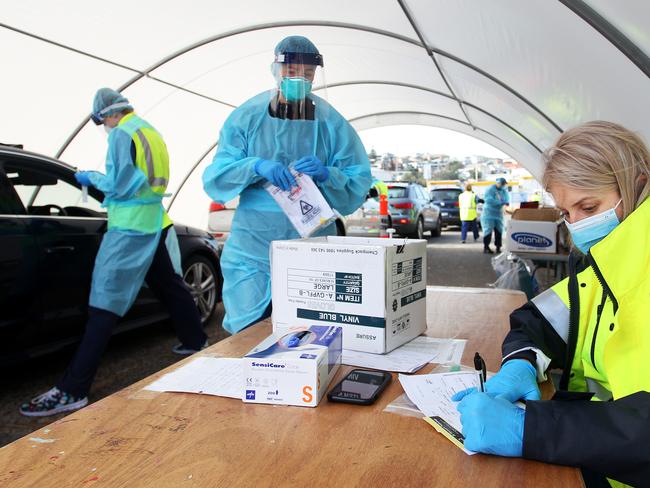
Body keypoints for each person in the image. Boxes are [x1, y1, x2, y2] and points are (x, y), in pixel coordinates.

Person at [452, 121, 650, 487]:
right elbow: (538, 318)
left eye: (588, 206)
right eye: (566, 213)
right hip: (597, 466)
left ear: (638, 185)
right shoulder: (606, 269)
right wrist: (522, 361)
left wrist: (529, 429)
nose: (577, 226)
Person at [20, 88, 207, 417]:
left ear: (108, 113)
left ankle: (73, 389)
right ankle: (195, 340)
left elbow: (120, 185)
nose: (103, 125)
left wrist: (91, 178)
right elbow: (148, 182)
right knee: (169, 284)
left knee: (104, 303)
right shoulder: (151, 132)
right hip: (152, 224)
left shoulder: (122, 134)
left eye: (101, 120)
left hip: (127, 227)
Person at [202, 36, 372, 334]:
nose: (299, 79)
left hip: (312, 244)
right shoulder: (247, 118)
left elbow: (358, 179)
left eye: (307, 75)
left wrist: (327, 175)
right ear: (275, 70)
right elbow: (216, 177)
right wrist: (254, 165)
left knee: (312, 332)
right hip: (253, 245)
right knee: (248, 331)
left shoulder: (331, 122)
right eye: (292, 72)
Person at [480, 177, 509, 253]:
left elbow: (506, 199)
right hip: (489, 214)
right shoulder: (490, 190)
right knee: (488, 231)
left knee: (499, 230)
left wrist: (506, 202)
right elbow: (489, 200)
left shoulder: (503, 191)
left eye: (504, 184)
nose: (503, 186)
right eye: (502, 184)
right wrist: (500, 203)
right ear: (498, 183)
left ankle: (498, 247)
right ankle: (486, 247)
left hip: (498, 214)